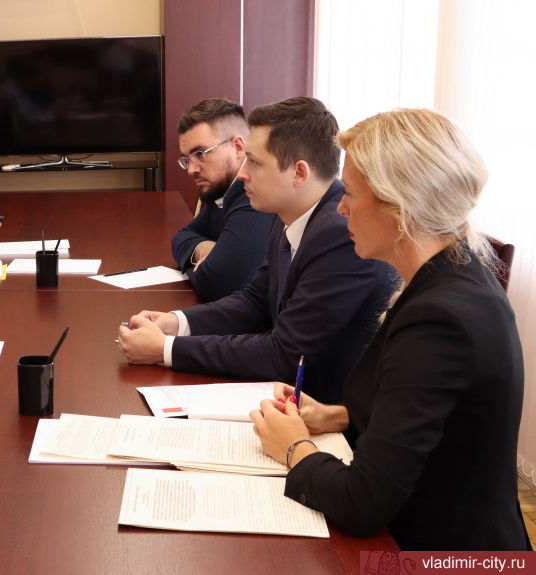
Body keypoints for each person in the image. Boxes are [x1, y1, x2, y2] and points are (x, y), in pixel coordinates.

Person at [250, 108, 530, 550]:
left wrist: (293, 447)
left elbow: (361, 502)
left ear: (400, 207)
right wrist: (338, 416)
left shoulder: (440, 319)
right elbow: (435, 419)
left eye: (350, 193)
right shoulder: (452, 276)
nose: (340, 206)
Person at [118, 97, 395, 404]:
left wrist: (165, 349)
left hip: (332, 411)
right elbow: (257, 299)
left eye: (254, 162)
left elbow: (284, 354)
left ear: (299, 173)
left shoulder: (340, 233)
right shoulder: (289, 212)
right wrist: (177, 323)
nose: (243, 173)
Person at [171, 99, 274, 301]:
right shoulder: (224, 190)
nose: (191, 169)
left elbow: (222, 285)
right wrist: (204, 248)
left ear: (238, 147)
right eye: (188, 158)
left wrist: (205, 266)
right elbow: (181, 237)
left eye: (201, 153)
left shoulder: (255, 194)